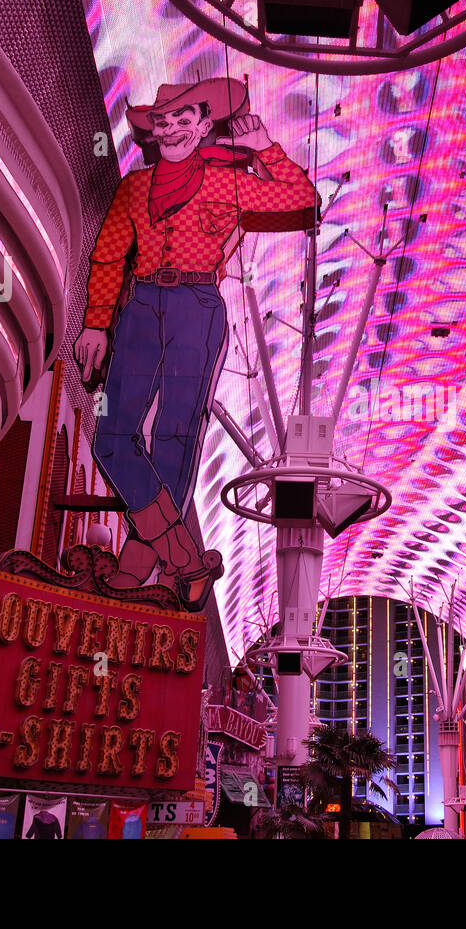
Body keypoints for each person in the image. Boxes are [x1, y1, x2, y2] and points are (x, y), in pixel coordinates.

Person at [73, 77, 317, 602]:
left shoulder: (228, 182)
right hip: (139, 308)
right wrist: (95, 321)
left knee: (175, 436)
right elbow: (110, 253)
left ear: (205, 127)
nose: (174, 127)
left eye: (186, 119)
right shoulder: (134, 188)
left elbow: (303, 199)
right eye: (164, 120)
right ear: (153, 131)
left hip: (198, 307)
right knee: (111, 436)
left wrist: (264, 148)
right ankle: (184, 558)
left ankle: (138, 564)